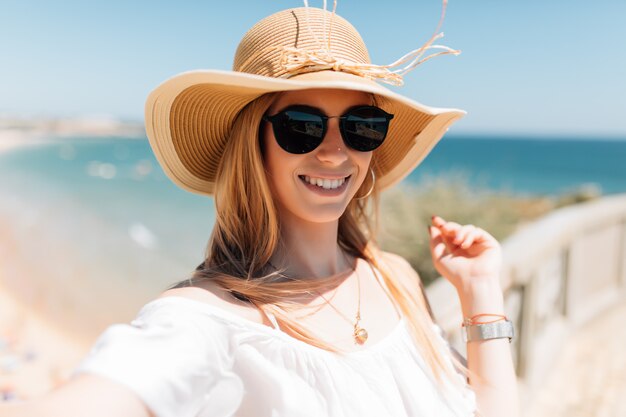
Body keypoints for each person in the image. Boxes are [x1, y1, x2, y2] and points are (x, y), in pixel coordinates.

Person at [1, 2, 519, 417]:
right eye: (303, 125)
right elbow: (109, 392)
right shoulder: (210, 321)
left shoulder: (397, 279)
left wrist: (480, 293)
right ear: (254, 145)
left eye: (361, 125)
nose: (336, 151)